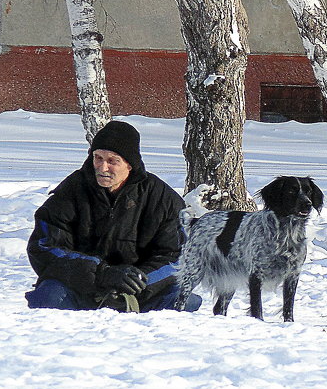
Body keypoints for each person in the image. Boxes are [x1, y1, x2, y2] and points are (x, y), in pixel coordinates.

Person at [26, 120, 200, 313]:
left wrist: (137, 280)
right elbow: (43, 246)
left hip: (140, 293)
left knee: (184, 300)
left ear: (130, 164)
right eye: (98, 158)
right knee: (48, 296)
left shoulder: (162, 199)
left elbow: (178, 257)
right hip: (81, 288)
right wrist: (101, 273)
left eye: (112, 161)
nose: (102, 167)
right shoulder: (71, 191)